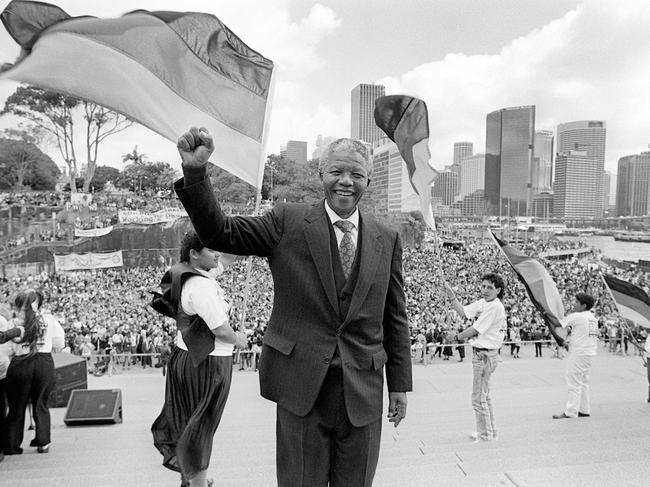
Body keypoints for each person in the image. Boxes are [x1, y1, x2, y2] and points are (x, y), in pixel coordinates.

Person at [174, 127, 412, 486]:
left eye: (356, 174)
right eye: (336, 172)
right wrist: (195, 173)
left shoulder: (387, 237)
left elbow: (395, 318)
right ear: (321, 175)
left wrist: (399, 385)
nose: (346, 182)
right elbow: (220, 233)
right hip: (301, 390)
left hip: (362, 392)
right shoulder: (287, 222)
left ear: (369, 179)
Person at [151, 231, 246, 487]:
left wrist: (247, 243)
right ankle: (198, 482)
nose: (217, 254)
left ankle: (192, 478)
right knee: (202, 426)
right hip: (209, 362)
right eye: (211, 249)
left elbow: (226, 259)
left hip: (189, 357)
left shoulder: (187, 274)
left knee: (189, 423)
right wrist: (240, 340)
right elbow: (221, 330)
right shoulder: (201, 286)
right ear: (194, 253)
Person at [444, 273, 506, 442]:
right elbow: (464, 312)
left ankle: (485, 435)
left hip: (485, 355)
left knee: (478, 398)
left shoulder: (494, 306)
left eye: (490, 288)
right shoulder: (485, 303)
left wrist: (456, 337)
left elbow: (476, 329)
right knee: (484, 396)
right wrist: (452, 296)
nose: (485, 290)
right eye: (483, 286)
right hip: (484, 354)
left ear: (498, 290)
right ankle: (489, 431)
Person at [3, 290, 64, 455]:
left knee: (16, 407)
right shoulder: (49, 319)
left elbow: (8, 349)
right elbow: (59, 343)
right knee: (41, 405)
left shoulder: (14, 323)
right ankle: (43, 442)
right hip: (43, 362)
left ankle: (11, 445)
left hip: (20, 363)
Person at [552, 292, 599, 419]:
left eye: (577, 302)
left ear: (583, 305)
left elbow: (559, 323)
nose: (574, 304)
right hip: (589, 352)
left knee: (573, 381)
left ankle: (571, 411)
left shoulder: (577, 316)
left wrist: (547, 313)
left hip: (579, 352)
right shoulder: (593, 317)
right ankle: (584, 409)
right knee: (583, 382)